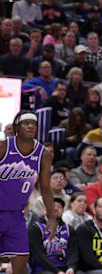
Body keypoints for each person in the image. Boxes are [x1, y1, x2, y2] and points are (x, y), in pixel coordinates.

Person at [0, 111, 56, 274]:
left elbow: (46, 189)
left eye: (34, 123)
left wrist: (52, 217)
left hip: (17, 216)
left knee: (21, 263)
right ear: (17, 127)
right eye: (26, 123)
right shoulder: (4, 146)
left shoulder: (43, 154)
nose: (31, 126)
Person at [29, 197, 78, 274]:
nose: (56, 208)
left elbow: (73, 252)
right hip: (43, 269)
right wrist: (57, 271)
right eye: (52, 206)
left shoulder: (69, 229)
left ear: (62, 211)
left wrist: (71, 267)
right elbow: (39, 255)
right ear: (45, 211)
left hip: (65, 268)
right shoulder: (36, 228)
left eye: (59, 207)